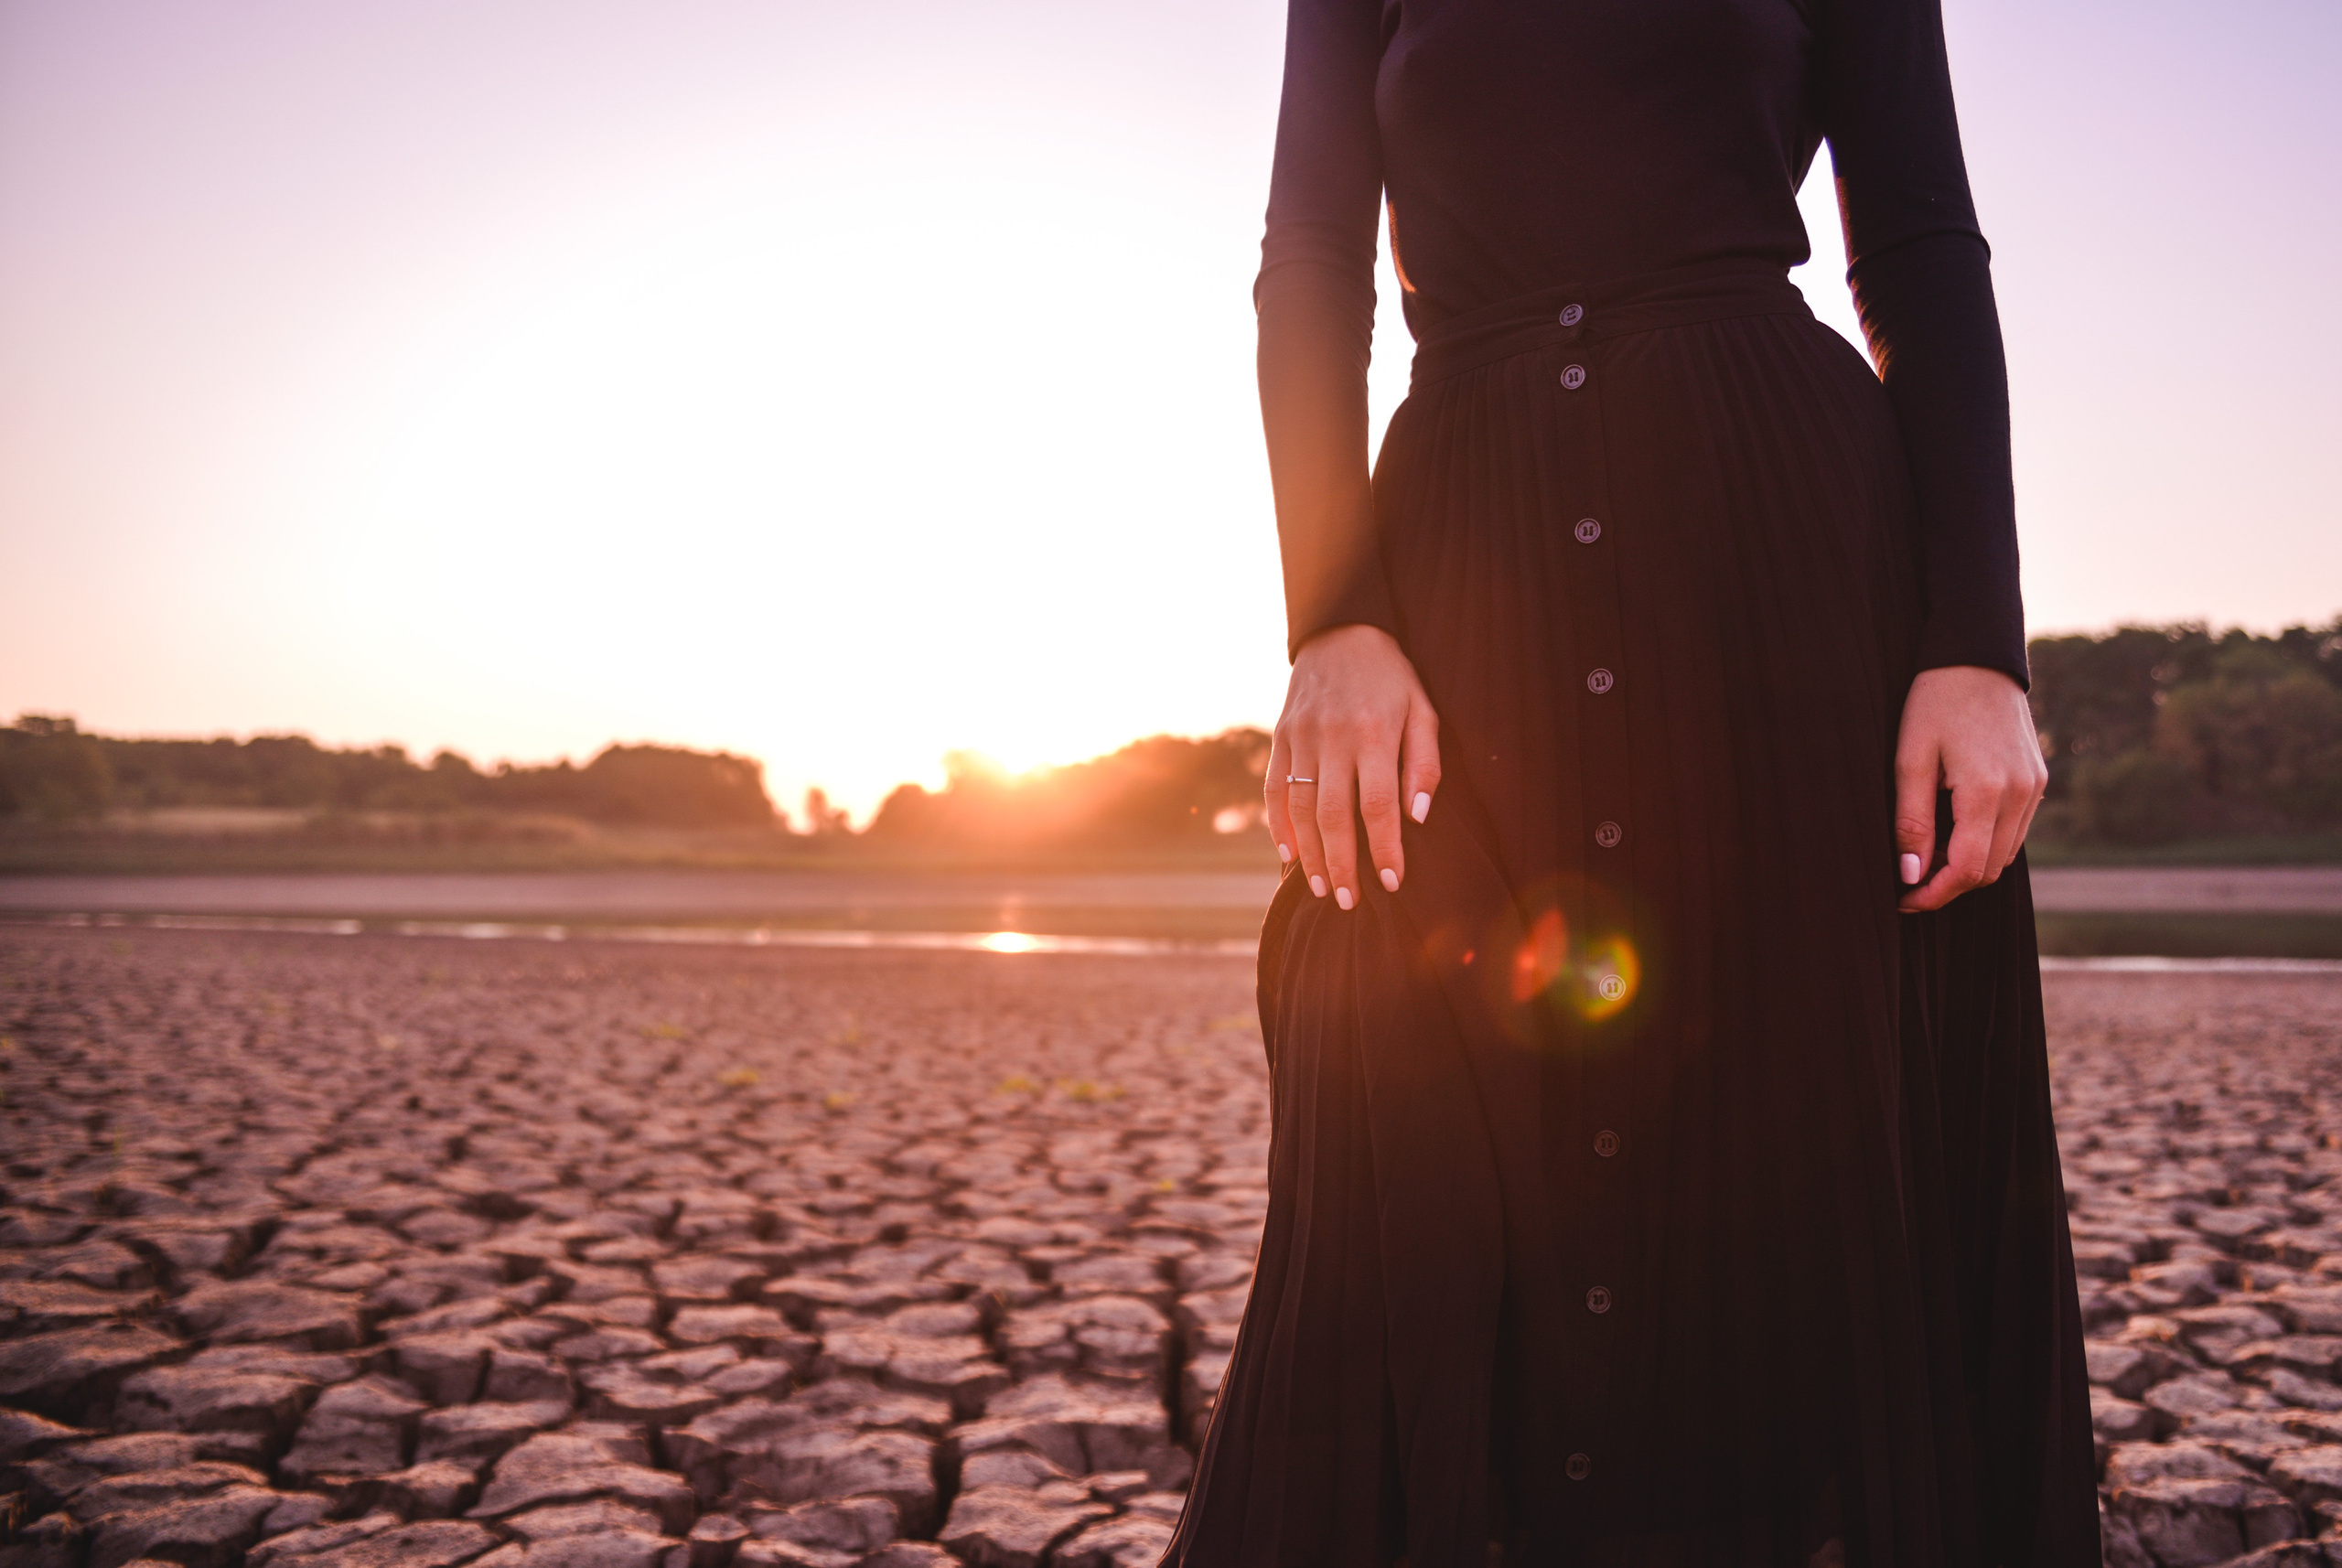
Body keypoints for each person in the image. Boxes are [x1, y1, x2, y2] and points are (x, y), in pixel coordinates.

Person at [1158, 0, 2100, 1562]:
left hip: (1781, 557)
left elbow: (1923, 249)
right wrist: (1332, 615)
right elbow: (1312, 260)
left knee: (1794, 1129)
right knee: (1408, 1087)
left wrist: (1978, 647)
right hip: (1462, 568)